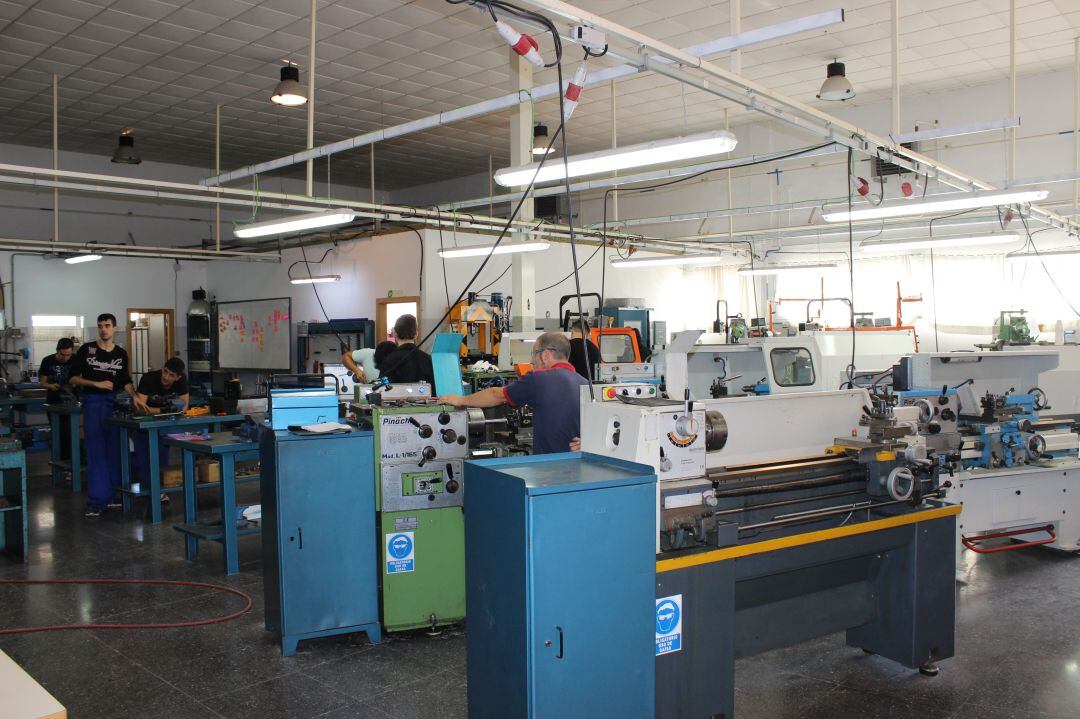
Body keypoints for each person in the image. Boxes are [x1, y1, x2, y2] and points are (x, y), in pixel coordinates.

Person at [439, 332, 587, 454]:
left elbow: (496, 395)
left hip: (548, 465)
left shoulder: (538, 379)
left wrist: (460, 400)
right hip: (578, 462)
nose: (532, 360)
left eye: (534, 353)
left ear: (545, 355)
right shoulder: (585, 384)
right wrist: (589, 441)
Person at [69, 314, 135, 518]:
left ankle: (116, 494)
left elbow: (125, 380)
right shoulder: (87, 350)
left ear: (115, 328)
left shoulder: (121, 353)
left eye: (107, 326)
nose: (103, 330)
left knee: (116, 451)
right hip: (94, 404)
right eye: (100, 326)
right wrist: (95, 384)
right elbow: (73, 378)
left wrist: (137, 398)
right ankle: (97, 501)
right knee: (96, 452)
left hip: (115, 405)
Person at [132, 357, 190, 505]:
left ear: (178, 377)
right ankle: (147, 490)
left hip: (164, 425)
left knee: (162, 457)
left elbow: (184, 407)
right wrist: (164, 410)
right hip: (144, 424)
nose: (166, 377)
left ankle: (160, 491)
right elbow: (140, 408)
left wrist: (159, 411)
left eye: (171, 375)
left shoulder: (182, 381)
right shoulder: (148, 379)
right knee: (143, 457)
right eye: (165, 372)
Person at [39, 338, 75, 460]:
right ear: (57, 351)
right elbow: (42, 382)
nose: (65, 358)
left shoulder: (76, 360)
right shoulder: (48, 361)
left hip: (72, 402)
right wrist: (50, 385)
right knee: (58, 433)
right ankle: (58, 462)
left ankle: (71, 462)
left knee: (70, 433)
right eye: (62, 355)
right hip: (54, 402)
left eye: (68, 355)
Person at [382, 315, 435, 387]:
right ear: (416, 334)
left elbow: (382, 390)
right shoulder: (427, 359)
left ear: (394, 333)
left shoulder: (389, 360)